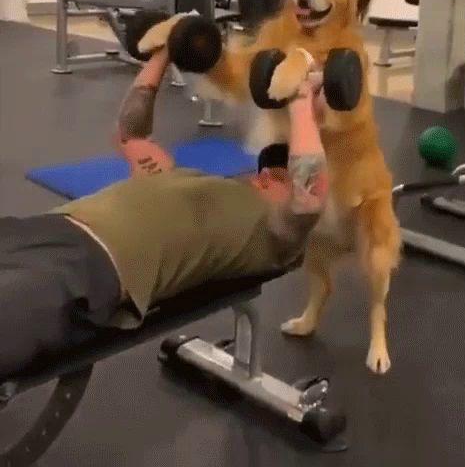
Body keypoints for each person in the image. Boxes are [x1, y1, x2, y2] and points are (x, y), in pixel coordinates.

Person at [0, 44, 328, 380]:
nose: (265, 176)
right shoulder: (182, 176)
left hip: (93, 267)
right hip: (45, 228)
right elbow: (131, 133)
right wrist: (165, 54)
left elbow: (308, 199)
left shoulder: (277, 236)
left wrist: (301, 103)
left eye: (280, 176)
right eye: (268, 169)